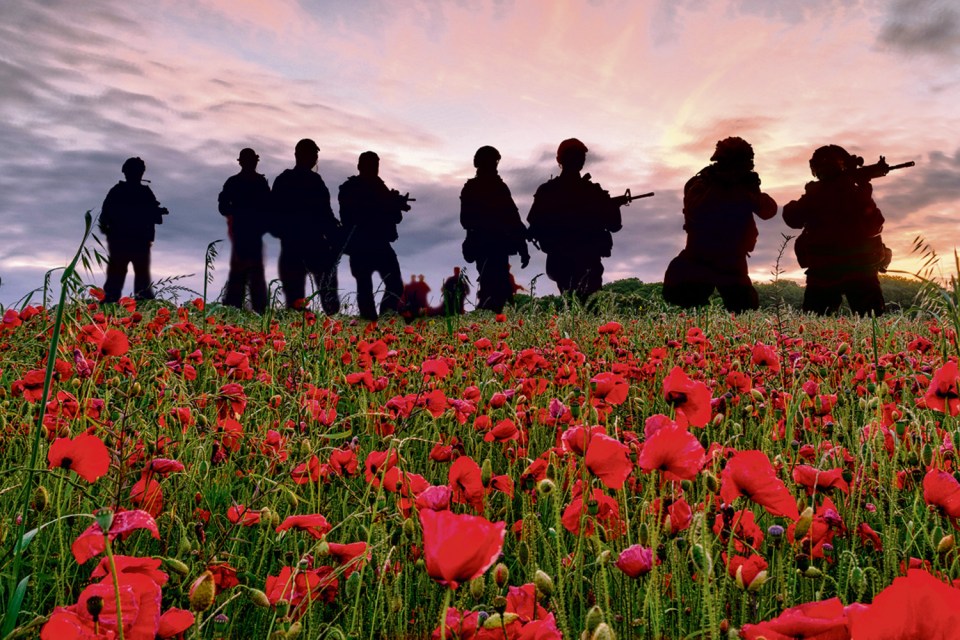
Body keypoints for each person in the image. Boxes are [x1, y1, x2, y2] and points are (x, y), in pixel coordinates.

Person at [662, 137, 778, 312]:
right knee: (684, 306)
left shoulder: (744, 185)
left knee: (745, 312)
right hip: (700, 256)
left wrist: (749, 191)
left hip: (732, 258)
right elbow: (696, 211)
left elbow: (768, 211)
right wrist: (727, 186)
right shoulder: (702, 183)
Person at [782, 144, 891, 315]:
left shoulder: (818, 194)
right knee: (873, 327)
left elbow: (791, 217)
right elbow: (874, 225)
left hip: (825, 270)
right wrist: (862, 188)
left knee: (815, 327)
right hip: (857, 269)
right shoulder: (849, 193)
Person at [527, 138, 622, 302]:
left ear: (559, 160)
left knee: (571, 303)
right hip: (585, 259)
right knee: (589, 305)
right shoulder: (592, 192)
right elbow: (614, 225)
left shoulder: (548, 191)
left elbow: (534, 224)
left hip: (561, 260)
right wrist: (614, 206)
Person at [271, 139, 342, 314]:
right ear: (299, 155)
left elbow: (272, 214)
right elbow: (326, 215)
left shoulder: (285, 180)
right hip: (309, 244)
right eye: (313, 154)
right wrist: (335, 234)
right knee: (319, 295)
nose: (315, 159)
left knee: (298, 301)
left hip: (296, 245)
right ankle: (330, 324)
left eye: (316, 155)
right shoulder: (312, 182)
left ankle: (326, 326)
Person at [339, 151, 412, 321]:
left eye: (375, 165)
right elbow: (350, 216)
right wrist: (388, 203)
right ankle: (371, 322)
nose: (374, 169)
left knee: (393, 285)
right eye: (371, 165)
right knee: (365, 288)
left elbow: (395, 218)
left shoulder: (380, 188)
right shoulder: (351, 188)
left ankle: (384, 318)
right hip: (362, 244)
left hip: (378, 244)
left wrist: (396, 204)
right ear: (360, 167)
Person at [460, 146, 530, 313]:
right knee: (495, 291)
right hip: (493, 246)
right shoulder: (497, 188)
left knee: (495, 289)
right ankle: (488, 325)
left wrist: (522, 245)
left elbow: (465, 221)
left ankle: (489, 324)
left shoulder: (472, 188)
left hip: (486, 247)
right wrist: (522, 247)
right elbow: (513, 218)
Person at [99, 157, 168, 303]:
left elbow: (155, 216)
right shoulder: (120, 192)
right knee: (117, 276)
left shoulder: (143, 193)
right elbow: (105, 217)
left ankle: (140, 305)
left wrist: (157, 212)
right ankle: (111, 305)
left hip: (138, 241)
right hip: (124, 241)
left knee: (140, 277)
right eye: (135, 170)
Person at [218, 148, 270, 313]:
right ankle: (246, 309)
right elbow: (224, 207)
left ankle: (245, 309)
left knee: (249, 272)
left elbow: (269, 207)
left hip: (250, 232)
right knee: (244, 271)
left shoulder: (241, 182)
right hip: (244, 232)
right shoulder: (241, 182)